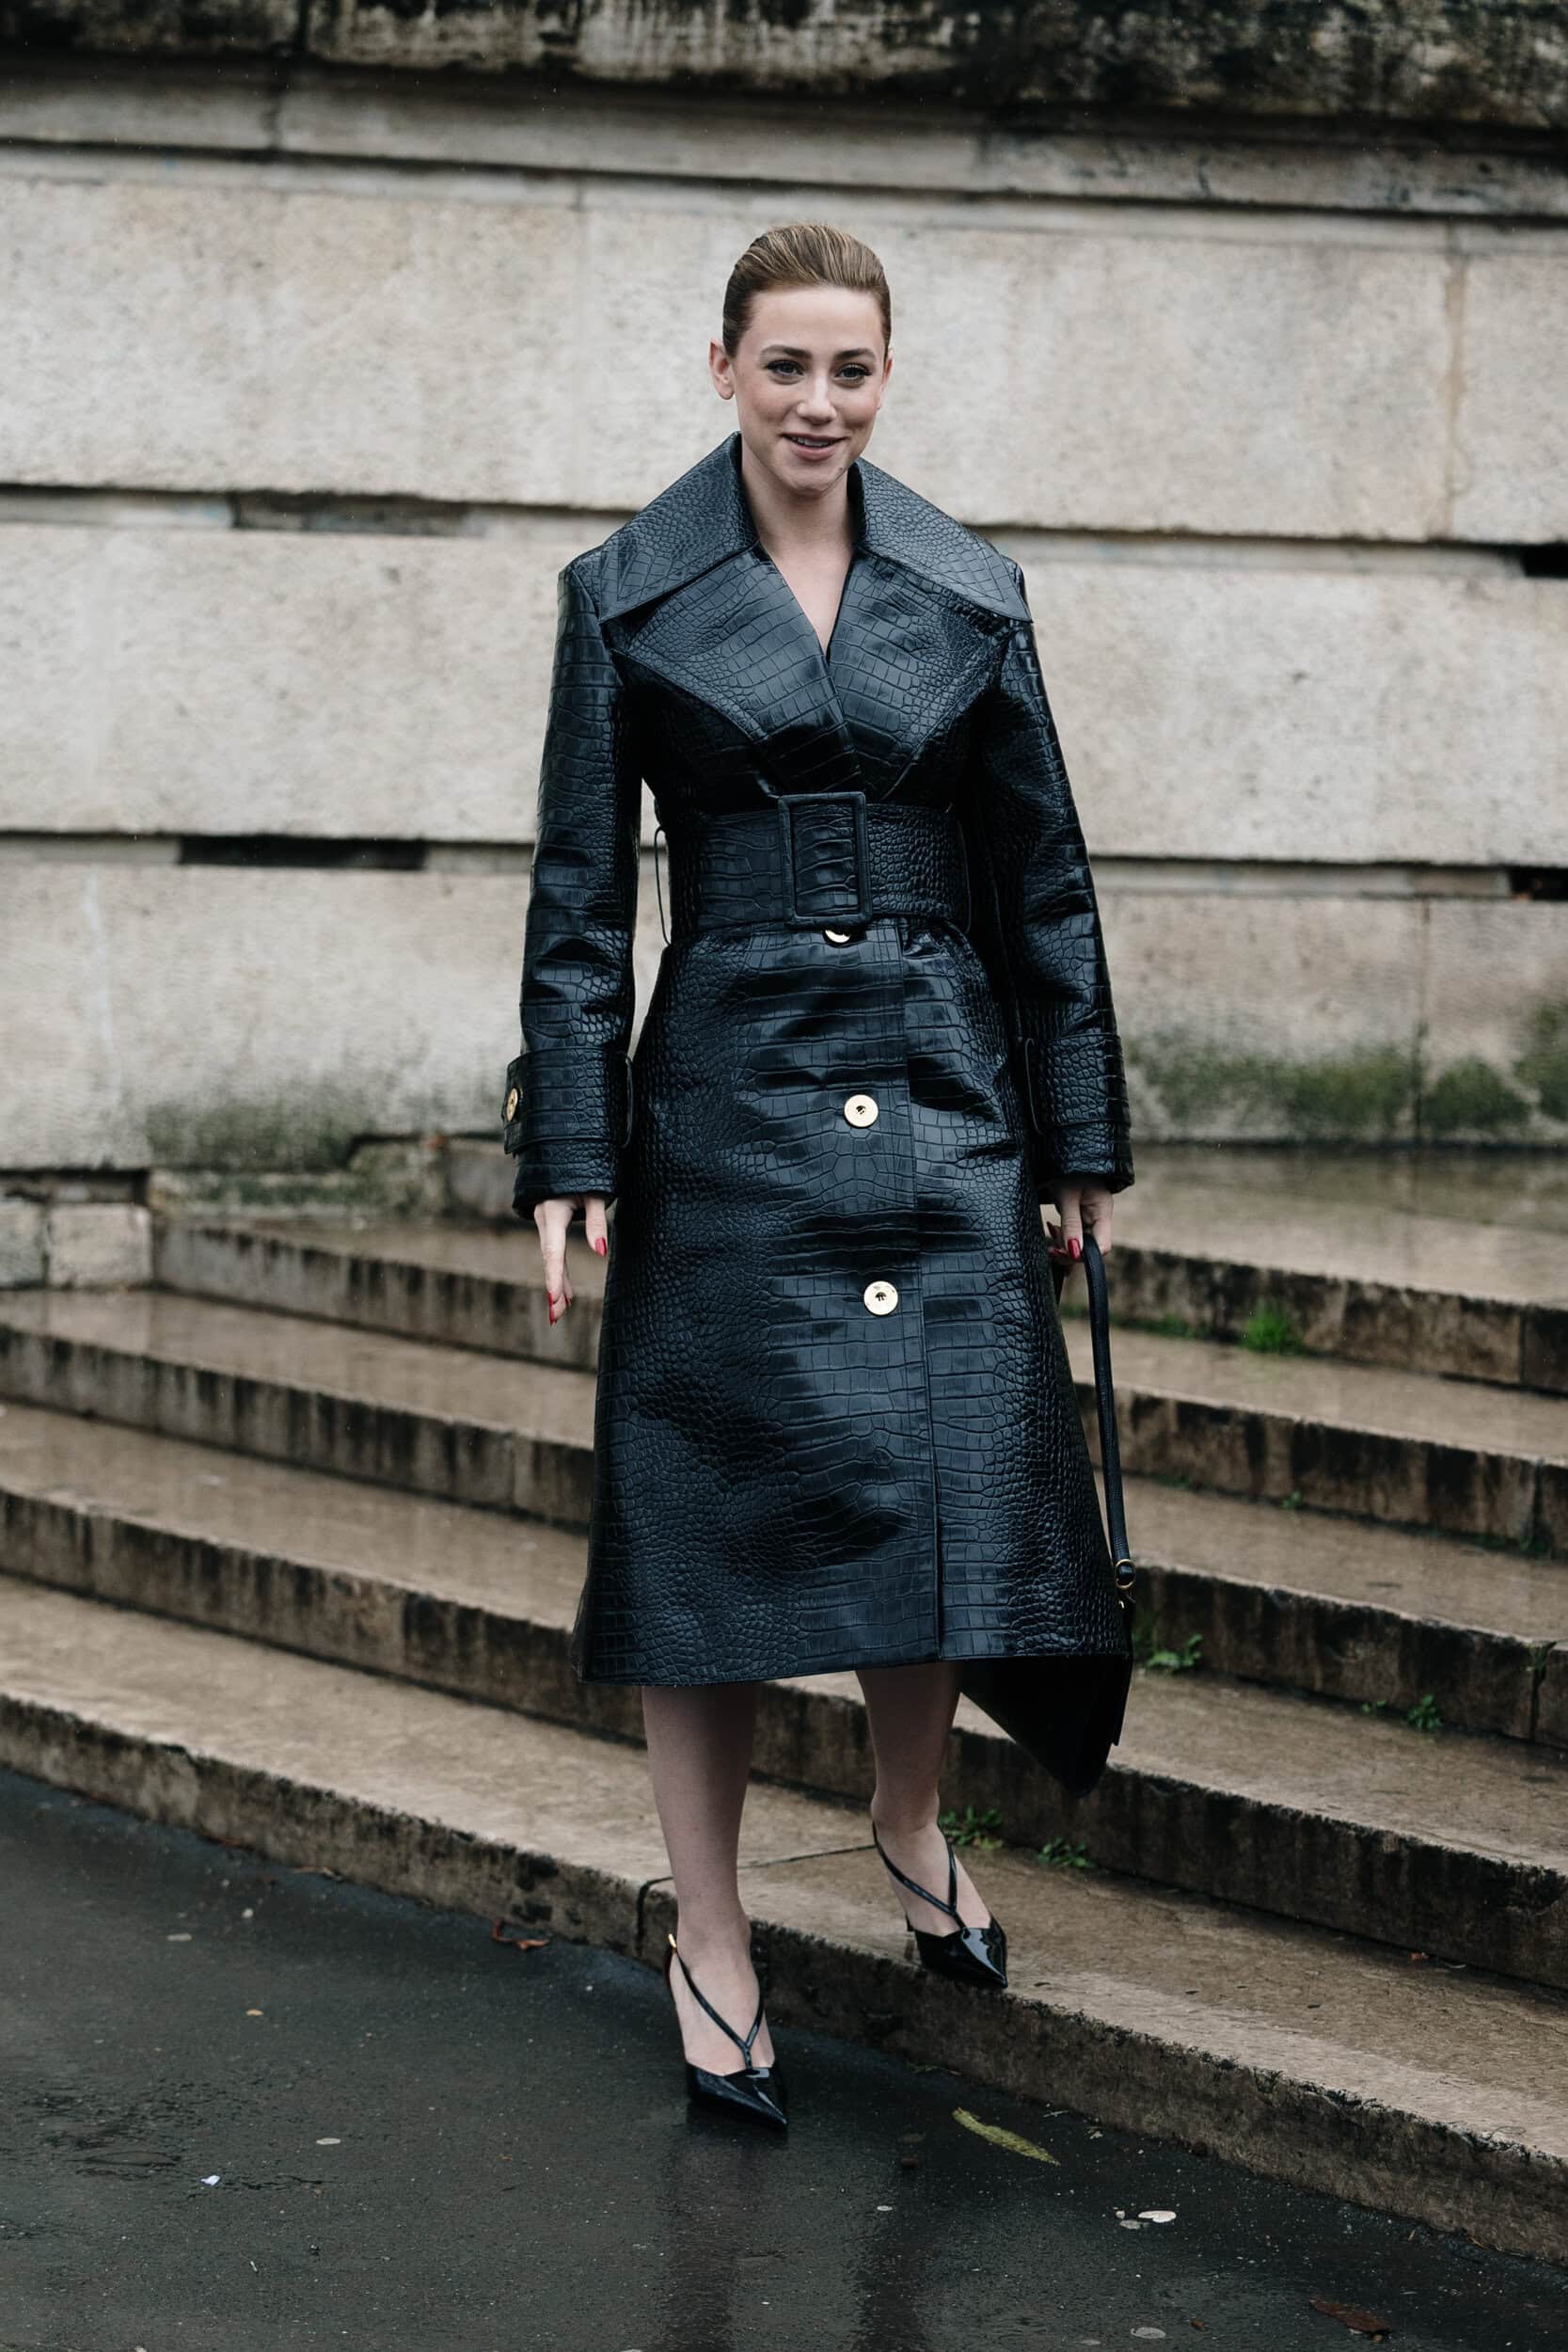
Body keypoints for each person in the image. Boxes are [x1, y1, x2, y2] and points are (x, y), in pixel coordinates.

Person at [502, 222, 1134, 2131]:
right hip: (728, 1107)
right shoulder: (625, 592)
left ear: (886, 376)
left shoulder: (972, 588)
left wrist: (1080, 1133)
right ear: (724, 369)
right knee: (698, 1533)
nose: (817, 403)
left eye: (850, 368)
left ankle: (908, 1815)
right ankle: (709, 1936)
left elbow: (1045, 881)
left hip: (945, 1092)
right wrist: (568, 1145)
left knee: (934, 1479)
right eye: (785, 365)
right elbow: (578, 900)